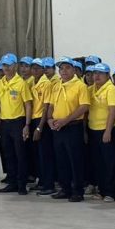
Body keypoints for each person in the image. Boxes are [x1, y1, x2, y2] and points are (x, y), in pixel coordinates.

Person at [47, 58, 91, 202]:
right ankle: (65, 189)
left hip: (72, 127)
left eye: (67, 68)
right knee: (61, 159)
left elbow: (84, 106)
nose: (64, 71)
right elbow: (51, 105)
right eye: (61, 68)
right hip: (57, 127)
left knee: (75, 160)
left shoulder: (80, 86)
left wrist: (65, 120)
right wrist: (49, 119)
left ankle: (77, 191)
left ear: (73, 70)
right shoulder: (56, 85)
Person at [0, 57, 32, 194]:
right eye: (4, 65)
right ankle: (12, 182)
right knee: (8, 154)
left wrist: (27, 125)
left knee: (20, 154)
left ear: (14, 66)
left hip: (18, 122)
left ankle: (22, 184)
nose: (6, 68)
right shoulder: (0, 83)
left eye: (9, 65)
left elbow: (28, 104)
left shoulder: (21, 83)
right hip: (5, 122)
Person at [86, 62, 115, 202]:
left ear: (108, 75)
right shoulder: (91, 89)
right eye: (95, 73)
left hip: (108, 130)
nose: (97, 76)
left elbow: (113, 111)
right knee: (98, 162)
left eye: (101, 73)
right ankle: (102, 190)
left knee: (111, 162)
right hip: (93, 129)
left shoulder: (111, 90)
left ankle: (112, 192)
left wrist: (108, 131)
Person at [31, 58, 57, 195]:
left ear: (43, 70)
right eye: (33, 68)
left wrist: (39, 127)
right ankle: (42, 181)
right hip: (34, 119)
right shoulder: (33, 82)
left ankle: (49, 185)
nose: (35, 70)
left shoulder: (46, 83)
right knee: (38, 154)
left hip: (42, 121)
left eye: (38, 68)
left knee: (46, 154)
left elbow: (46, 107)